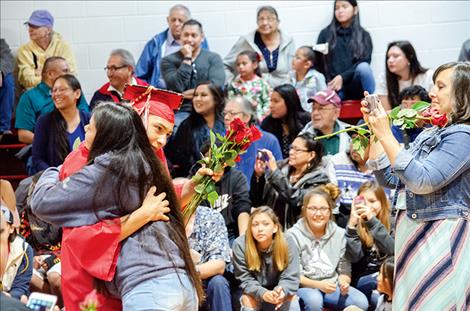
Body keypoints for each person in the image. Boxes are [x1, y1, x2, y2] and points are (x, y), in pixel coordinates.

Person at [31, 102, 203, 310]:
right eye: (158, 129)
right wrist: (142, 215)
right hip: (178, 279)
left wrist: (54, 171)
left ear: (106, 134)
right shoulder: (143, 162)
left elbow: (43, 204)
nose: (162, 140)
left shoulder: (110, 165)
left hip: (143, 282)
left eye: (91, 126)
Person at [363, 61, 470, 310]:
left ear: (463, 93)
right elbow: (390, 178)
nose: (432, 92)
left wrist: (387, 134)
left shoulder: (463, 136)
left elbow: (422, 181)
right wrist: (376, 129)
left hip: (441, 239)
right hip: (414, 238)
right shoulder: (429, 133)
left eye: (441, 86)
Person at [287, 184, 369, 311]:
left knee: (361, 302)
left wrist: (344, 283)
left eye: (323, 209)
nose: (318, 213)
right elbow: (295, 275)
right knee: (314, 300)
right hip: (305, 287)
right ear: (304, 210)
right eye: (313, 208)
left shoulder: (339, 234)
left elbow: (344, 268)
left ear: (330, 210)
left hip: (331, 286)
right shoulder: (292, 235)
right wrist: (319, 285)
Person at [250, 133, 329, 229]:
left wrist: (275, 173)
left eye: (297, 150)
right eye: (291, 148)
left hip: (297, 234)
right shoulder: (281, 167)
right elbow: (258, 200)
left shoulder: (319, 177)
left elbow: (297, 199)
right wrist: (259, 176)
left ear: (311, 155)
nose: (291, 152)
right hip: (270, 230)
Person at [232, 206, 301, 311]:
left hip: (277, 289)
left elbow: (291, 275)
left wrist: (282, 290)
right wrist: (263, 293)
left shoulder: (287, 241)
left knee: (291, 296)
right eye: (255, 225)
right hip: (252, 291)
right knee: (247, 299)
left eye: (265, 224)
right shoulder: (240, 244)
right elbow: (245, 279)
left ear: (275, 227)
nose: (260, 229)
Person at [161, 19, 225, 131]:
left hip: (211, 109)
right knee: (175, 130)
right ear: (180, 36)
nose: (189, 39)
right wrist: (187, 58)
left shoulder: (213, 58)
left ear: (202, 37)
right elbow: (176, 87)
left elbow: (216, 88)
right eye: (186, 35)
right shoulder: (168, 61)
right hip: (183, 110)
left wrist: (185, 94)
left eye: (194, 35)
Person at [15, 57, 89, 145]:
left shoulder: (74, 92)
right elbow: (24, 135)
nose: (69, 74)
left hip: (78, 146)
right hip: (45, 148)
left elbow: (87, 122)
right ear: (50, 74)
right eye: (65, 71)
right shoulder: (29, 97)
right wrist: (52, 143)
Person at [135, 4, 209, 88]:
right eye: (173, 20)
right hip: (160, 96)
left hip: (191, 96)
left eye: (180, 20)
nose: (176, 24)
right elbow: (139, 75)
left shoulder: (199, 42)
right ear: (168, 20)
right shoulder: (156, 43)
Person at [345, 181, 394, 305]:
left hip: (387, 276)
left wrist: (372, 221)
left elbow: (392, 250)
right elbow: (354, 257)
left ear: (382, 202)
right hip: (361, 278)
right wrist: (351, 225)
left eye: (372, 201)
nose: (367, 205)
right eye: (363, 200)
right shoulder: (353, 222)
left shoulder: (392, 222)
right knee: (376, 296)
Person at [224, 6, 295, 88]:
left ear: (278, 22)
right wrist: (232, 84)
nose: (265, 22)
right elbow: (225, 65)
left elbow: (294, 71)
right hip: (254, 94)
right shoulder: (247, 40)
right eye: (261, 19)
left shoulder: (288, 41)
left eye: (270, 19)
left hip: (282, 95)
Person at [316, 0, 374, 100]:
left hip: (356, 85)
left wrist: (342, 77)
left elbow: (365, 61)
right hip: (334, 86)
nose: (340, 10)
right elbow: (318, 62)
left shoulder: (364, 35)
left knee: (364, 67)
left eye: (344, 6)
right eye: (337, 8)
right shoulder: (325, 34)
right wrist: (330, 83)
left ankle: (371, 103)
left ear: (355, 10)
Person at [31, 74, 90, 174]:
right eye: (54, 90)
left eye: (62, 89)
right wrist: (56, 175)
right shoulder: (44, 122)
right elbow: (38, 159)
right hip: (56, 181)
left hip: (86, 178)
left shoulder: (89, 119)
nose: (56, 94)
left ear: (77, 93)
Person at [165, 82, 226, 178]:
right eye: (195, 95)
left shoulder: (225, 125)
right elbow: (177, 158)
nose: (197, 99)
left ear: (216, 99)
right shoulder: (186, 126)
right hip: (191, 179)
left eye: (203, 95)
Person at [223, 95, 282, 188]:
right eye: (225, 113)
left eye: (232, 113)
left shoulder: (269, 141)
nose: (226, 117)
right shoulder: (221, 140)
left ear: (246, 117)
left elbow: (278, 176)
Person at [186, 205, 232, 311]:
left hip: (204, 282)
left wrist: (187, 274)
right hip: (171, 283)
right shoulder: (159, 215)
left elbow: (219, 265)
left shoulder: (210, 216)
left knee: (218, 282)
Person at [16, 10, 77, 90]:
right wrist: (54, 74)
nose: (30, 30)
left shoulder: (63, 47)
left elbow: (71, 76)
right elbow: (27, 80)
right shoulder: (24, 50)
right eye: (29, 25)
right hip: (36, 95)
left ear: (48, 29)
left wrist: (39, 74)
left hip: (61, 91)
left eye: (36, 26)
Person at [376, 41, 434, 110]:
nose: (390, 60)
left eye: (395, 56)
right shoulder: (384, 78)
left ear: (409, 57)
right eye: (388, 57)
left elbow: (434, 107)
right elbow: (386, 111)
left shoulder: (428, 75)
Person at [261, 84, 310, 158]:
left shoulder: (306, 121)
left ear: (289, 102)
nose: (271, 105)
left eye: (276, 101)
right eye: (271, 101)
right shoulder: (267, 123)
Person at [300, 89, 351, 156]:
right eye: (313, 108)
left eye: (321, 108)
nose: (315, 113)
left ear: (336, 113)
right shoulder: (303, 136)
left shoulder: (351, 134)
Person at [1, 205, 34, 301]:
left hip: (11, 296)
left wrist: (10, 297)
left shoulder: (23, 249)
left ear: (11, 228)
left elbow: (21, 285)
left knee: (23, 298)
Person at [227, 50, 271, 120]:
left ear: (254, 65)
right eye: (238, 64)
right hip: (240, 119)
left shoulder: (262, 84)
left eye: (244, 64)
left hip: (259, 120)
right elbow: (231, 101)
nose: (241, 67)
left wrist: (263, 116)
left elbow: (267, 102)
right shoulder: (234, 85)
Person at [288, 46, 327, 112]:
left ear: (307, 64)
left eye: (298, 58)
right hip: (296, 114)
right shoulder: (290, 76)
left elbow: (325, 98)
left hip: (312, 114)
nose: (293, 59)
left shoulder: (317, 77)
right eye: (294, 56)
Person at [0, 38, 15, 137]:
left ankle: (3, 129)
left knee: (7, 80)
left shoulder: (1, 43)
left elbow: (8, 59)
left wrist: (1, 71)